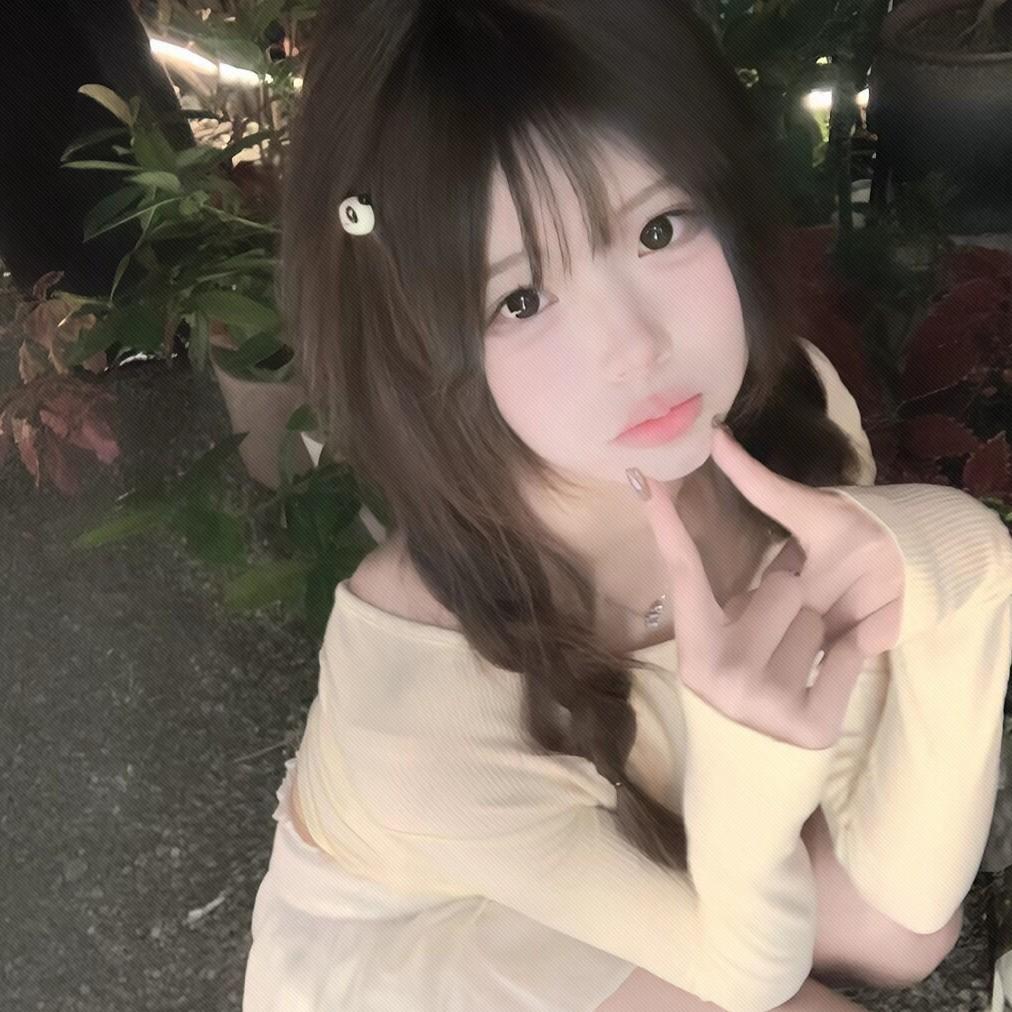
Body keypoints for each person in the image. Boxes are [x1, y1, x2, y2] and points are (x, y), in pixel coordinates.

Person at [242, 2, 1012, 1009]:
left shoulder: (789, 412)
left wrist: (967, 565)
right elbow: (750, 974)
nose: (636, 348)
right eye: (520, 299)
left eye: (657, 229)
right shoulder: (423, 708)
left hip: (647, 862)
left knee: (904, 933)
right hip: (433, 935)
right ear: (418, 358)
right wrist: (750, 787)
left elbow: (905, 912)